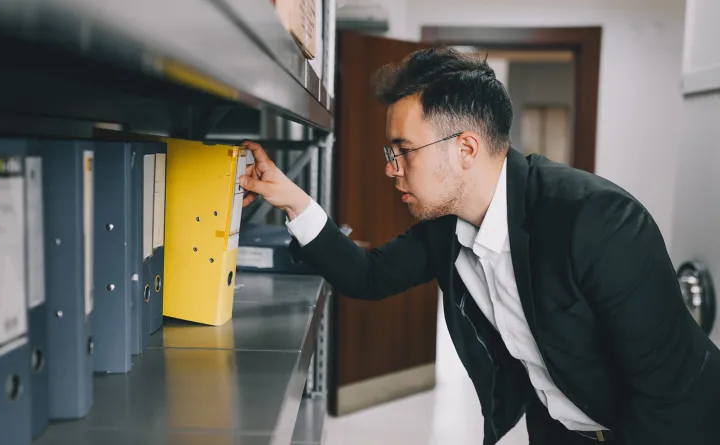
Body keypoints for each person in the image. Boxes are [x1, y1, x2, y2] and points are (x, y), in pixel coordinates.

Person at [238, 47, 720, 445]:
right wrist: (291, 199)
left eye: (402, 151)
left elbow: (667, 396)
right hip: (562, 430)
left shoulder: (599, 222)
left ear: (465, 148)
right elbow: (369, 275)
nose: (391, 168)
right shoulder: (448, 225)